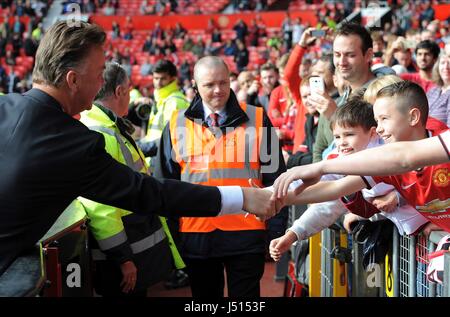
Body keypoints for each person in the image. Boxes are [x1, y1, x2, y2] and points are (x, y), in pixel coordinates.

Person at [0, 21, 276, 276]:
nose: (101, 84)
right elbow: (148, 192)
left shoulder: (4, 107)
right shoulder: (74, 143)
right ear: (73, 80)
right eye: (98, 74)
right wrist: (241, 197)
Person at [154, 56, 287, 297]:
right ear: (195, 86)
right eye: (209, 85)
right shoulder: (176, 124)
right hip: (197, 234)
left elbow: (275, 178)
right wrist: (173, 238)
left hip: (247, 232)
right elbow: (165, 187)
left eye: (223, 83)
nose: (218, 90)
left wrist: (276, 232)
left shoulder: (257, 118)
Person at [273, 81, 450, 233]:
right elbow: (336, 187)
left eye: (384, 119)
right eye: (376, 120)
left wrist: (320, 167)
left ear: (413, 117)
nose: (379, 128)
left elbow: (403, 157)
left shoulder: (442, 145)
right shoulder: (387, 164)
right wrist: (275, 198)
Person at [269, 98, 428, 262]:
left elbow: (420, 180)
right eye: (337, 137)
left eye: (349, 135)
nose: (342, 143)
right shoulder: (341, 158)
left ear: (373, 133)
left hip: (433, 230)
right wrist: (292, 233)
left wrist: (398, 197)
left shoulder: (387, 152)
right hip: (416, 241)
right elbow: (326, 203)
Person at [76, 62, 184, 296]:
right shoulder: (103, 134)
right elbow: (101, 207)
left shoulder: (103, 126)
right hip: (123, 251)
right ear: (120, 92)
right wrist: (123, 258)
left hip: (128, 244)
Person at [138, 59, 189, 163]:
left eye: (163, 79)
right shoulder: (160, 100)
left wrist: (143, 148)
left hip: (164, 162)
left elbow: (175, 140)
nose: (158, 83)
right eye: (155, 78)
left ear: (173, 78)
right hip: (154, 159)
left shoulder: (175, 102)